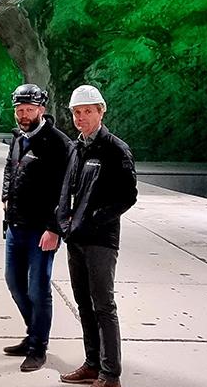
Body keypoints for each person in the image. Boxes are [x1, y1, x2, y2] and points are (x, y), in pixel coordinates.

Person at [57, 85, 138, 387]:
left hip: (101, 240)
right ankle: (91, 364)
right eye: (77, 113)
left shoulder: (116, 149)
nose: (81, 117)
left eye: (87, 111)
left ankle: (110, 373)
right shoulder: (76, 148)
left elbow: (127, 196)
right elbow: (67, 188)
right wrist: (63, 219)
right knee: (83, 304)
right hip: (75, 238)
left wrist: (92, 220)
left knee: (103, 304)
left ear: (101, 111)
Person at [1, 84, 71, 372]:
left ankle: (38, 347)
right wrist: (6, 197)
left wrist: (54, 228)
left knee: (38, 288)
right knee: (14, 282)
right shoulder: (18, 138)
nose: (24, 114)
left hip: (42, 231)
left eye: (29, 109)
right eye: (20, 110)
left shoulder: (57, 143)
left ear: (42, 110)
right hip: (16, 226)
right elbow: (10, 169)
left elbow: (66, 190)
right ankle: (33, 334)